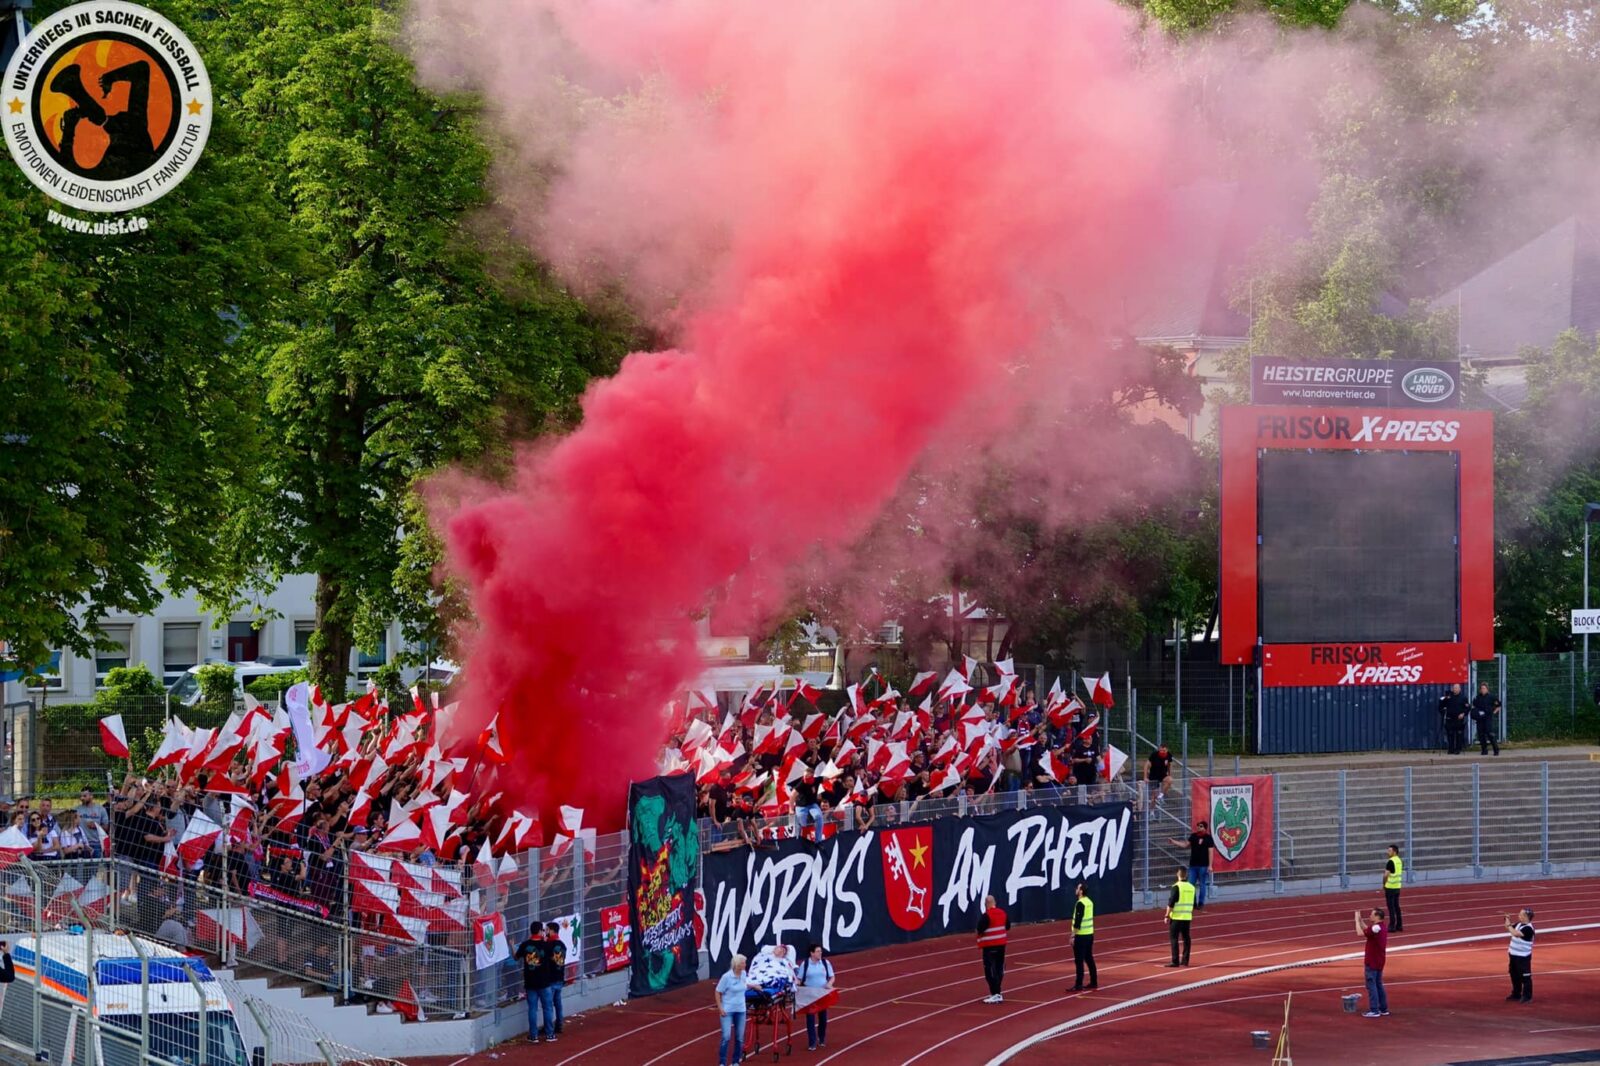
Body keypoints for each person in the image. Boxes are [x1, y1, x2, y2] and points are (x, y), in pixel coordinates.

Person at [513, 923, 557, 1043]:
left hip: (530, 982)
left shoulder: (525, 945)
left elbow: (516, 957)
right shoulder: (546, 945)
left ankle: (534, 1035)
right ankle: (550, 1034)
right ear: (539, 931)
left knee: (532, 1009)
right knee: (547, 1008)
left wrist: (512, 946)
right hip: (544, 982)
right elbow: (554, 958)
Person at [715, 954, 758, 1066]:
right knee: (726, 1036)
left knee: (739, 1037)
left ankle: (735, 1061)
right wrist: (720, 1008)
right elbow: (718, 992)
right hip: (727, 1010)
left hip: (741, 1010)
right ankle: (722, 1062)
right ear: (737, 964)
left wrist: (753, 986)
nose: (745, 964)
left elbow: (743, 985)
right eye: (743, 963)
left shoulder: (743, 974)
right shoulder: (726, 977)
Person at [1170, 820, 1215, 909]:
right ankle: (1193, 902)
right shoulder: (1193, 836)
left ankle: (1201, 903)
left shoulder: (1208, 838)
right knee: (1191, 884)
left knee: (1202, 884)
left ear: (1205, 828)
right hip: (1193, 865)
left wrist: (1210, 865)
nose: (1199, 827)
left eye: (1201, 826)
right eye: (1198, 826)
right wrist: (1174, 842)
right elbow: (1185, 845)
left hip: (1203, 865)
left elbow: (1211, 852)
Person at [798, 944, 836, 1050]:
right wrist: (795, 983)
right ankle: (812, 1042)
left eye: (820, 951)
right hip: (809, 995)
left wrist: (830, 983)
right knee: (810, 1019)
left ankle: (821, 1038)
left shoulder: (825, 963)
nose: (820, 953)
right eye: (818, 951)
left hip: (822, 994)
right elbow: (800, 979)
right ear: (812, 953)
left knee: (823, 1019)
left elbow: (832, 976)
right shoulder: (805, 964)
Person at [976, 893, 1010, 1003]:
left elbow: (979, 929)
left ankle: (996, 993)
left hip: (990, 946)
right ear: (995, 903)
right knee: (999, 968)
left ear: (986, 904)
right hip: (1001, 944)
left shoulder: (986, 915)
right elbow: (1008, 926)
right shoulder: (1003, 913)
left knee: (989, 970)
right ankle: (997, 992)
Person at [1356, 907, 1389, 1017]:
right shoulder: (1381, 927)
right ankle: (1383, 1009)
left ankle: (1374, 1010)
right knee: (1379, 984)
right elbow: (1367, 930)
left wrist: (1356, 920)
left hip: (1372, 961)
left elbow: (1360, 933)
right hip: (1380, 960)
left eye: (1372, 914)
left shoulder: (1376, 928)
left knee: (1372, 985)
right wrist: (1361, 921)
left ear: (1377, 916)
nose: (1370, 916)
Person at [1068, 882, 1097, 992]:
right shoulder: (1089, 902)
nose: (1076, 889)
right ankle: (1094, 981)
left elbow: (1078, 922)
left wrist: (1072, 936)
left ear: (1081, 891)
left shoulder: (1080, 903)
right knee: (1089, 958)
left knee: (1079, 961)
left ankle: (1078, 984)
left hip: (1081, 936)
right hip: (1090, 934)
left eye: (1077, 888)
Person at [1165, 867, 1195, 967]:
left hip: (1177, 917)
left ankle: (1175, 961)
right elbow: (1194, 904)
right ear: (1186, 875)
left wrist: (1167, 915)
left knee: (1174, 939)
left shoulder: (1176, 887)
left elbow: (1171, 903)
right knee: (1186, 939)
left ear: (1177, 875)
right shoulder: (1192, 887)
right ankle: (1185, 961)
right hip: (1187, 917)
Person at [1505, 907, 1535, 1002]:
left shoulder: (1528, 929)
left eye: (1521, 914)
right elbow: (1508, 928)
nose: (1519, 915)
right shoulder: (1519, 924)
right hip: (1513, 955)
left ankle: (1527, 996)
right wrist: (1507, 919)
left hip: (1523, 957)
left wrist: (1509, 925)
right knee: (1514, 975)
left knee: (1525, 977)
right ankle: (1516, 994)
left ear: (1526, 917)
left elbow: (1514, 933)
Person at [544, 922, 567, 1037]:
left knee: (548, 1005)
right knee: (558, 1003)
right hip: (560, 977)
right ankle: (559, 1024)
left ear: (552, 930)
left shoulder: (548, 945)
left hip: (551, 978)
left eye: (547, 929)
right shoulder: (562, 945)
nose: (545, 931)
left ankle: (549, 1029)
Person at [1471, 683, 1501, 756]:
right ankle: (1484, 750)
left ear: (1487, 689)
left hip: (1488, 718)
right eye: (1481, 688)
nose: (1483, 690)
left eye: (1484, 688)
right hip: (1480, 719)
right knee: (1481, 735)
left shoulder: (1492, 697)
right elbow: (1473, 706)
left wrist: (1494, 712)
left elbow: (1499, 706)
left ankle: (1496, 749)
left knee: (1490, 734)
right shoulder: (1477, 697)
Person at [1439, 683, 1469, 754]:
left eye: (1456, 688)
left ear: (1459, 689)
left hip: (1459, 719)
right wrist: (1445, 699)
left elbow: (1467, 708)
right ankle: (1451, 749)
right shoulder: (1449, 697)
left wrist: (1463, 713)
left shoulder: (1463, 698)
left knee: (1458, 735)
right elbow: (1441, 706)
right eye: (1454, 688)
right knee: (1450, 734)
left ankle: (1458, 749)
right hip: (1449, 719)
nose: (1455, 689)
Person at [1383, 845, 1404, 933]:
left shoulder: (1391, 862)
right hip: (1397, 886)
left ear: (1394, 852)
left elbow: (1386, 875)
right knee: (1396, 906)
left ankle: (1392, 926)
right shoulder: (1399, 860)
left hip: (1390, 887)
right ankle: (1399, 925)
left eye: (1389, 851)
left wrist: (1384, 884)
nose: (1388, 852)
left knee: (1391, 907)